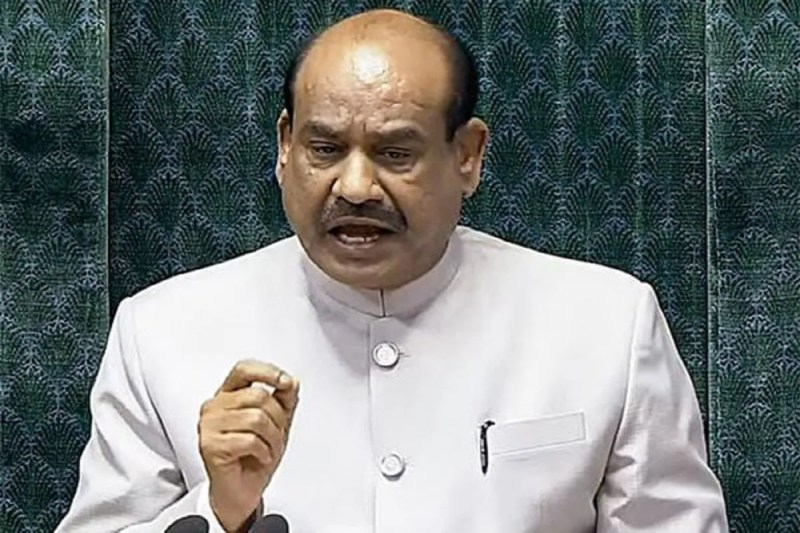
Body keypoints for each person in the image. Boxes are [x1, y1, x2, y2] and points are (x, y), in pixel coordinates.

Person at [57, 9, 728, 533]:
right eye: (324, 148)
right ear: (285, 147)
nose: (354, 187)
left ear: (468, 155)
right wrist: (220, 510)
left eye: (395, 152)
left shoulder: (607, 325)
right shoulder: (160, 331)